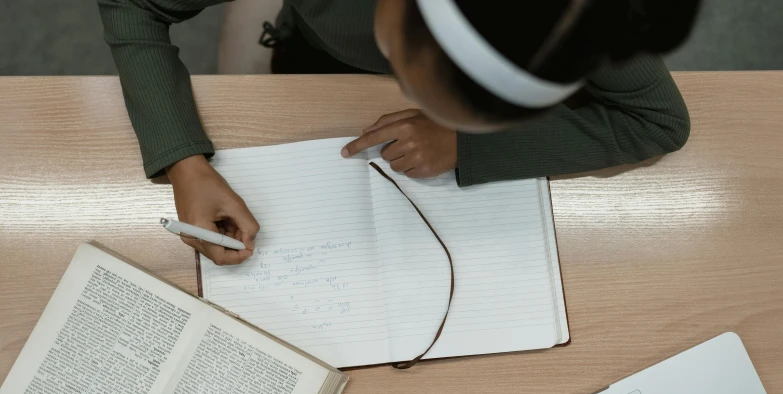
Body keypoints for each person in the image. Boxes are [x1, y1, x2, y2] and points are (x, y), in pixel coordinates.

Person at [98, 0, 700, 265]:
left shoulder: (576, 15)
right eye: (417, 82)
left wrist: (469, 145)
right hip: (318, 49)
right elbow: (133, 2)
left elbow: (657, 118)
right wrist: (183, 159)